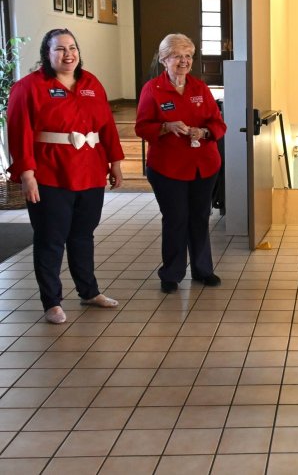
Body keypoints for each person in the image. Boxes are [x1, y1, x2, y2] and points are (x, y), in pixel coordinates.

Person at [7, 28, 124, 324]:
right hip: (50, 174)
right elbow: (20, 134)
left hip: (90, 171)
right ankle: (52, 302)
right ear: (47, 54)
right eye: (59, 49)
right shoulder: (29, 87)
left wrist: (115, 161)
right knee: (50, 239)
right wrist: (27, 174)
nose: (68, 54)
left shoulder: (91, 83)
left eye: (72, 47)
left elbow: (106, 125)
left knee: (83, 235)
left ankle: (89, 291)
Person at [135, 33, 226, 293]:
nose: (183, 61)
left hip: (204, 165)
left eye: (188, 56)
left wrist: (204, 132)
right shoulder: (152, 89)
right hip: (168, 168)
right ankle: (172, 273)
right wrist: (165, 126)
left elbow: (217, 124)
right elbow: (142, 127)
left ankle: (203, 269)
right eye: (177, 56)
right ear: (164, 59)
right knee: (175, 218)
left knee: (200, 217)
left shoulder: (200, 88)